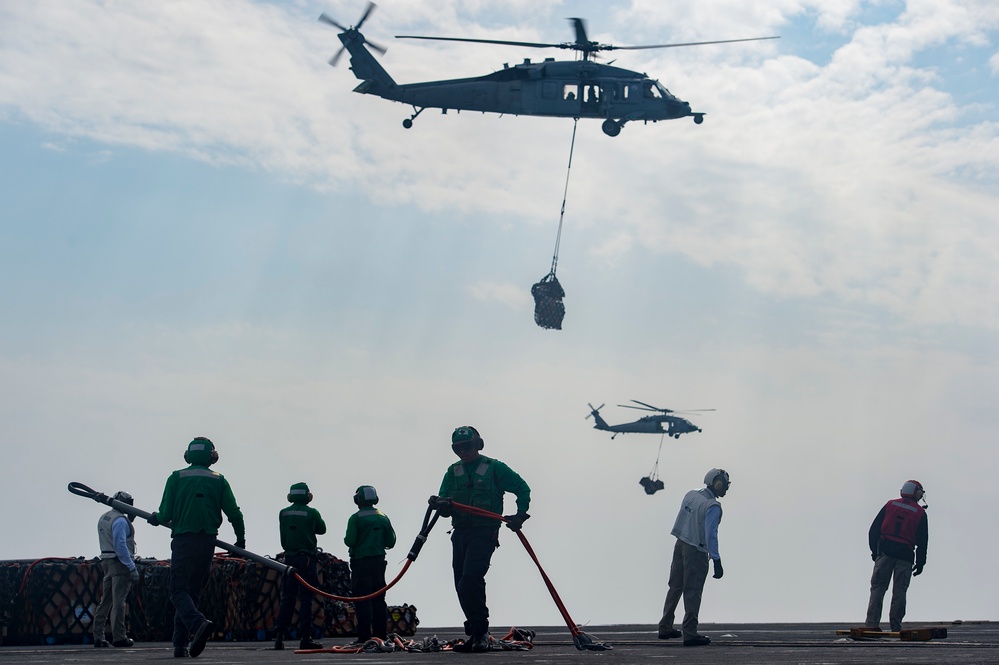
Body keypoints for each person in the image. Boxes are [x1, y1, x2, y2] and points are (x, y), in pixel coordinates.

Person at [429, 426, 531, 653]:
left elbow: (522, 488)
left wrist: (520, 514)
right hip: (461, 533)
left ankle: (481, 633)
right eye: (458, 448)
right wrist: (441, 504)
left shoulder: (494, 468)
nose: (463, 451)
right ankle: (475, 634)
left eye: (467, 446)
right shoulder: (452, 471)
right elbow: (445, 506)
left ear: (478, 444)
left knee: (470, 579)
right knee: (461, 585)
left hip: (484, 532)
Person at [148, 437, 244, 659]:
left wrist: (155, 519)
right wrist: (240, 542)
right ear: (212, 456)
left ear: (188, 455)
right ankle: (180, 645)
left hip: (183, 541)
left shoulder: (177, 477)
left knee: (177, 590)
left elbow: (165, 515)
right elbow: (235, 514)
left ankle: (198, 623)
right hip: (207, 543)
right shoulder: (219, 480)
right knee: (192, 592)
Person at [658, 468, 730, 647]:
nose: (726, 489)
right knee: (693, 591)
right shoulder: (713, 506)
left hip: (680, 544)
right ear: (718, 483)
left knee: (675, 587)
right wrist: (716, 560)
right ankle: (690, 633)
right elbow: (710, 533)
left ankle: (665, 627)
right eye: (725, 485)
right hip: (696, 551)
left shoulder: (690, 495)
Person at [865, 479, 929, 632]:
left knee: (877, 590)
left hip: (884, 553)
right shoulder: (920, 513)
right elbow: (922, 542)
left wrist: (875, 552)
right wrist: (920, 563)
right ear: (917, 493)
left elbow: (873, 530)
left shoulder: (890, 505)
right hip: (905, 557)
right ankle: (895, 626)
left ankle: (871, 625)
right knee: (900, 592)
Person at [274, 482, 327, 651]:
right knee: (306, 599)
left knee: (287, 598)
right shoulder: (311, 513)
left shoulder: (283, 513)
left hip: (289, 560)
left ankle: (279, 637)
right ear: (307, 496)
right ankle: (306, 637)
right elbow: (322, 529)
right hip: (307, 561)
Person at [344, 485, 396, 644]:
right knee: (379, 599)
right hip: (379, 562)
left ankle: (364, 637)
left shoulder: (356, 518)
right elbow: (391, 541)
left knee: (362, 599)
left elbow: (349, 541)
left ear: (358, 499)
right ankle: (381, 635)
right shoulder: (382, 516)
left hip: (361, 563)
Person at [92, 491, 139, 648]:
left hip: (106, 560)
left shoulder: (105, 517)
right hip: (119, 562)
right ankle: (119, 637)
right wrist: (131, 567)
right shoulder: (120, 521)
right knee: (119, 601)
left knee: (105, 600)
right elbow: (121, 545)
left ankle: (98, 636)